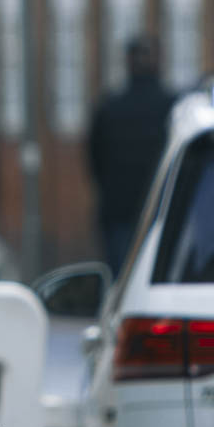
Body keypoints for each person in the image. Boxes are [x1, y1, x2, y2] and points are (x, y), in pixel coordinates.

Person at [86, 36, 175, 270]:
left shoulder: (109, 107)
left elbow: (94, 160)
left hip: (119, 210)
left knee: (123, 280)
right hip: (163, 211)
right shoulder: (173, 107)